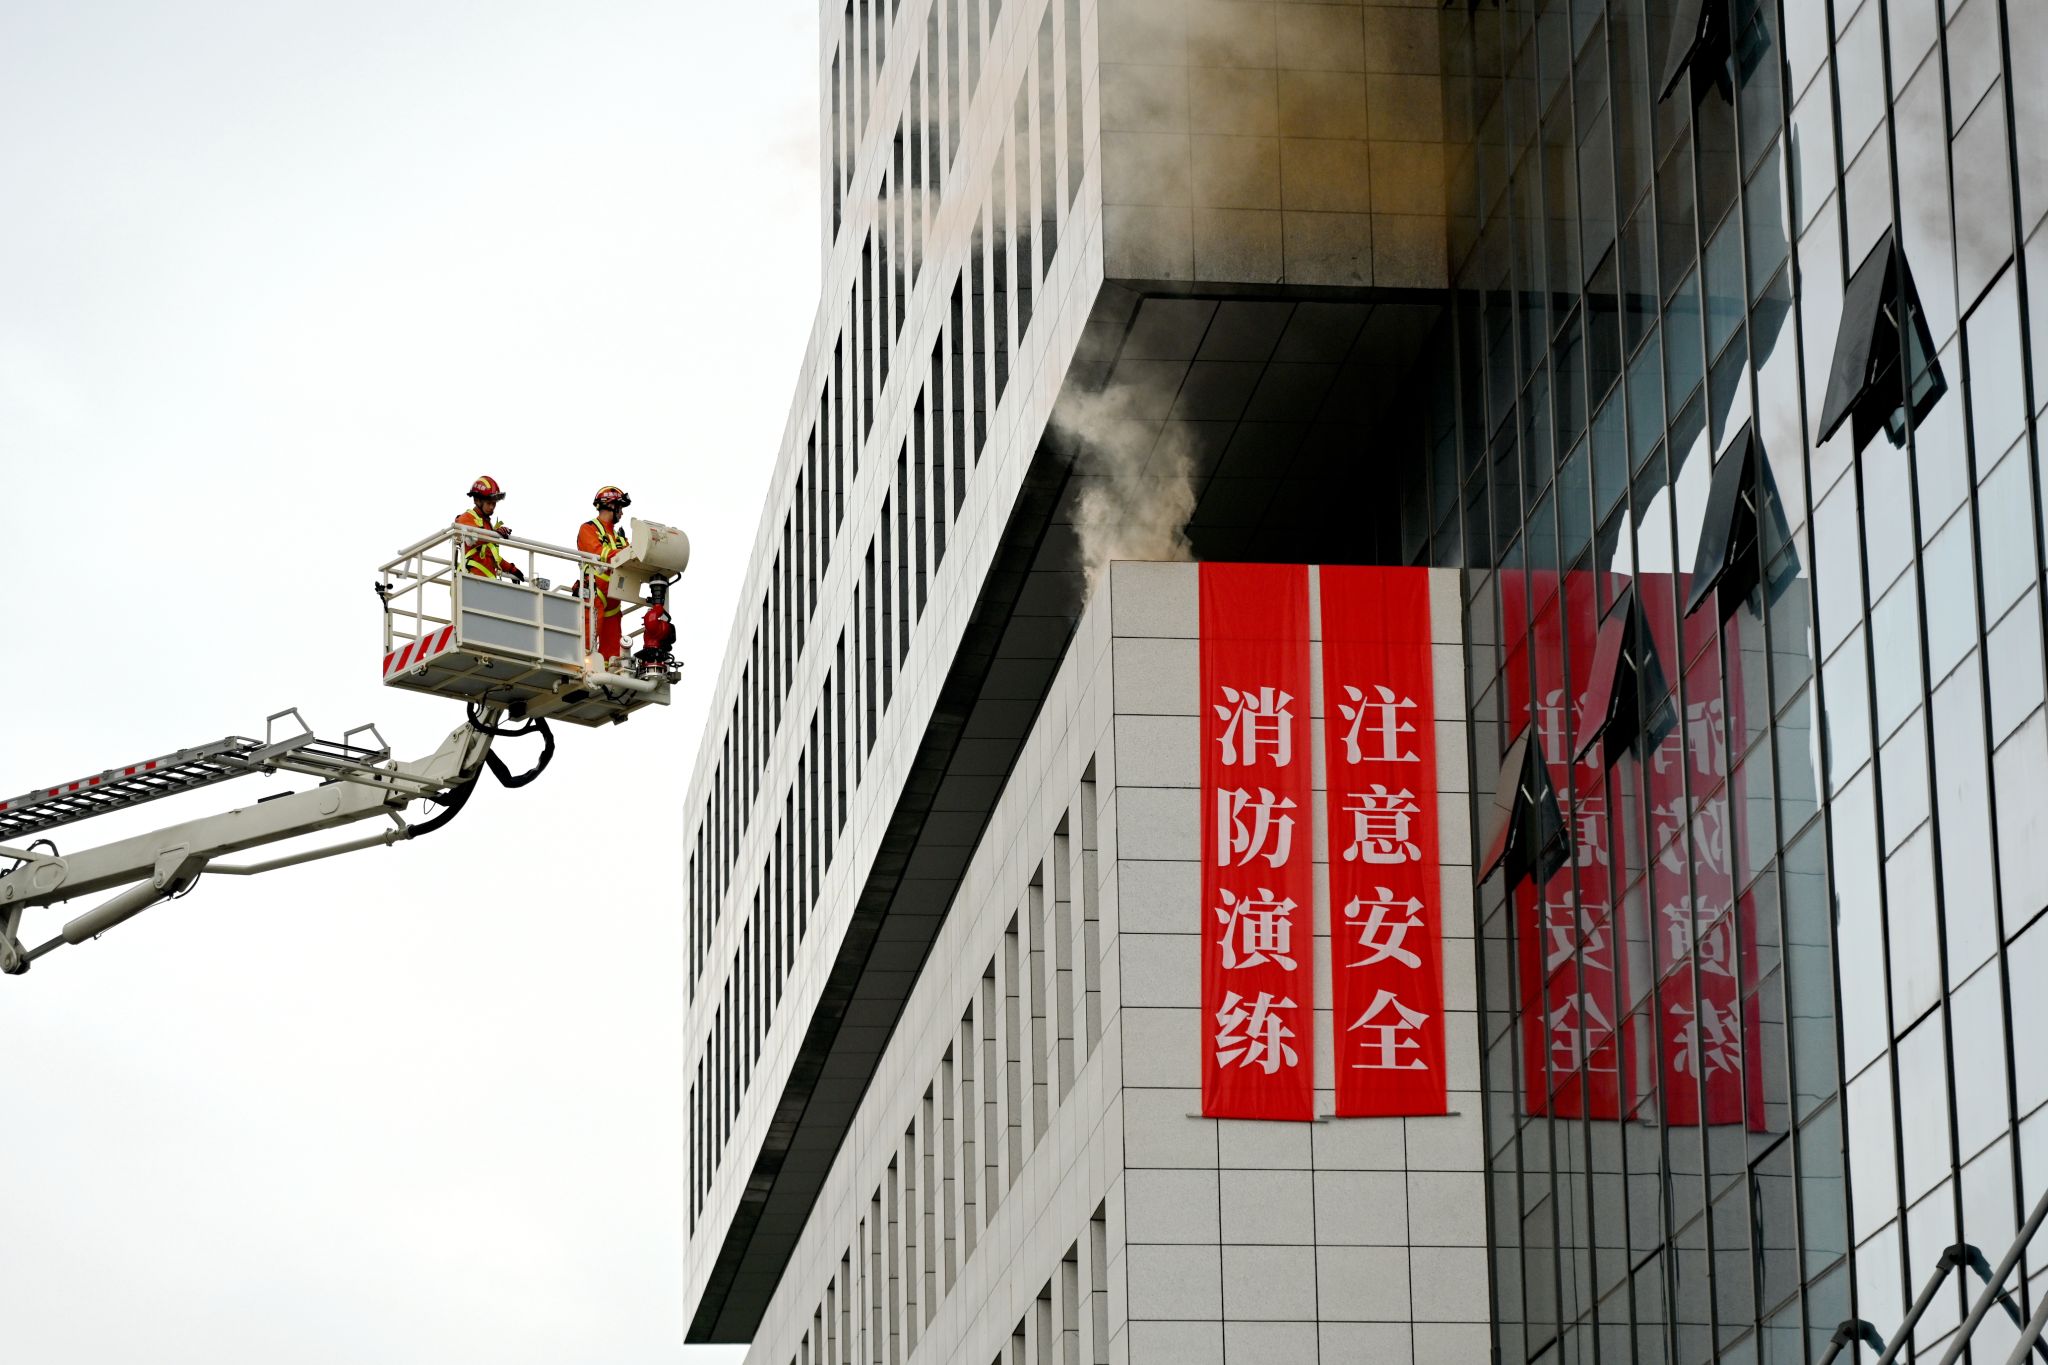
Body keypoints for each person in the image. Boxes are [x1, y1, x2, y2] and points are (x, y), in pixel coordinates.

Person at [578, 485, 632, 658]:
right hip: (595, 593)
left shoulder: (619, 537)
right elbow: (599, 553)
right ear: (611, 505)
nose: (622, 513)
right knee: (587, 645)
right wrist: (627, 552)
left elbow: (629, 558)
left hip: (614, 595)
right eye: (620, 507)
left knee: (613, 654)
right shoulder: (588, 529)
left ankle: (608, 671)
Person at [455, 476, 524, 582]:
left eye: (494, 503)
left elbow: (491, 556)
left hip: (485, 582)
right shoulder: (466, 518)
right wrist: (494, 534)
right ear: (477, 500)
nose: (492, 507)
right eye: (489, 503)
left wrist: (511, 569)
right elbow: (472, 538)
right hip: (471, 578)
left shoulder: (487, 524)